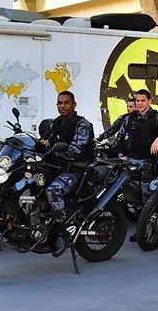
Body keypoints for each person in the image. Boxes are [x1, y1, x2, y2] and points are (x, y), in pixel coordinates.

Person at [116, 88, 158, 241]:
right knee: (134, 197)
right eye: (137, 100)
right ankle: (141, 229)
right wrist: (121, 154)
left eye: (143, 100)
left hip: (148, 163)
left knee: (147, 197)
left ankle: (148, 230)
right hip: (131, 162)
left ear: (149, 101)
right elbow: (120, 137)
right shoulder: (130, 118)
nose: (140, 103)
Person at [40, 91, 95, 255]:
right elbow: (45, 141)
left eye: (66, 103)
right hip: (56, 168)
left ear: (74, 105)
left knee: (53, 191)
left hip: (76, 170)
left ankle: (62, 231)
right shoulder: (55, 123)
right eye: (60, 103)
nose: (62, 106)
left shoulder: (82, 125)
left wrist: (51, 150)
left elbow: (74, 151)